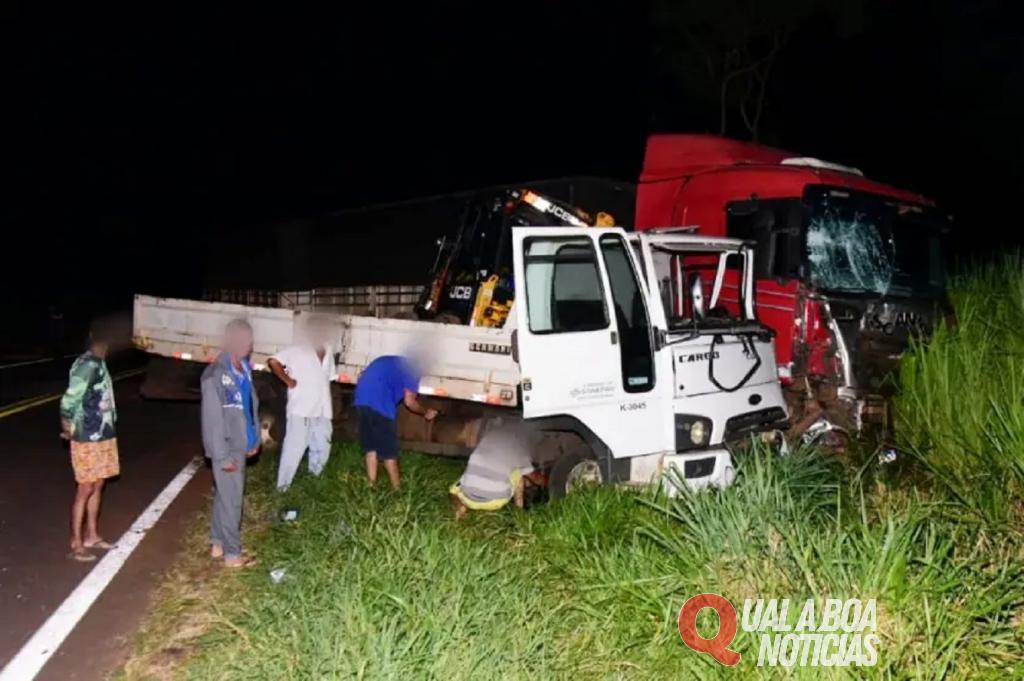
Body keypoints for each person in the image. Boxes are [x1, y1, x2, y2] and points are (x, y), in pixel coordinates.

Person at [200, 319, 260, 568]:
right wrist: (222, 457)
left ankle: (217, 544)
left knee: (224, 497)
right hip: (226, 447)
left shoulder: (243, 368)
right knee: (233, 501)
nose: (245, 343)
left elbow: (249, 407)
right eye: (239, 338)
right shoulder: (215, 375)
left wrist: (254, 438)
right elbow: (212, 421)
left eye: (248, 338)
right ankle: (233, 556)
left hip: (241, 443)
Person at [60, 320, 120, 562]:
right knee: (85, 487)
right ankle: (76, 542)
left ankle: (92, 535)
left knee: (98, 484)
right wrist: (67, 428)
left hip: (103, 434)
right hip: (87, 435)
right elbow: (68, 401)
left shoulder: (99, 362)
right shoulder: (86, 365)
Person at [267, 317, 337, 492]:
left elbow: (328, 378)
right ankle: (282, 489)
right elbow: (273, 361)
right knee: (293, 450)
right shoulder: (297, 349)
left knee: (322, 449)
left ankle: (313, 486)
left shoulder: (328, 350)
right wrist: (287, 380)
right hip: (301, 409)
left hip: (323, 410)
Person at [354, 354, 437, 489]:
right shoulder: (413, 370)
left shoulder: (392, 361)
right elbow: (409, 402)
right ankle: (397, 491)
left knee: (371, 448)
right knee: (389, 452)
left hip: (361, 399)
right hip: (380, 404)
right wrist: (426, 412)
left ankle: (370, 486)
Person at [449, 418, 541, 519]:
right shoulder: (520, 447)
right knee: (519, 472)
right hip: (495, 501)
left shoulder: (488, 436)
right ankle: (519, 512)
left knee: (455, 488)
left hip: (466, 498)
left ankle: (460, 507)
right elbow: (536, 478)